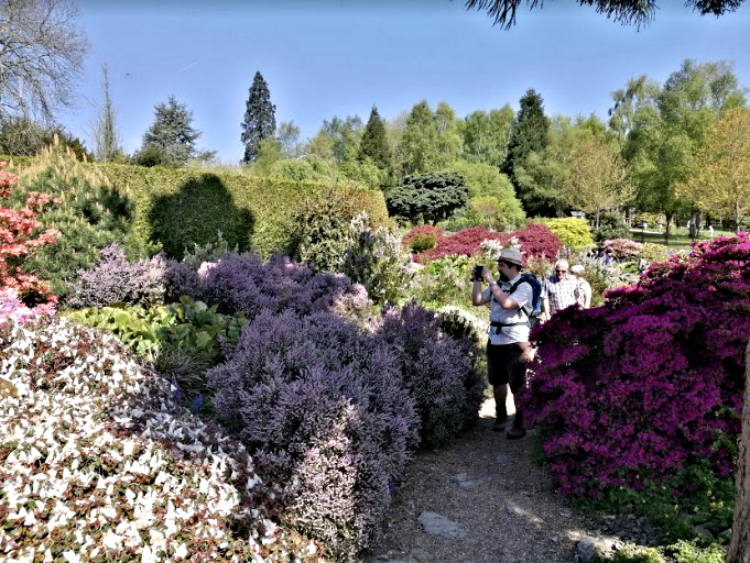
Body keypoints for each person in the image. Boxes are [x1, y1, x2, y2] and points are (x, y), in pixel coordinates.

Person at [471, 248, 532, 439]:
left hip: (516, 341)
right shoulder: (498, 285)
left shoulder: (524, 287)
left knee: (517, 385)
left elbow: (507, 304)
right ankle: (501, 416)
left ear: (514, 267)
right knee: (497, 381)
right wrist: (477, 281)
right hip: (496, 340)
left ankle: (520, 422)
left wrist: (490, 281)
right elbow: (477, 300)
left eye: (502, 266)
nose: (498, 270)